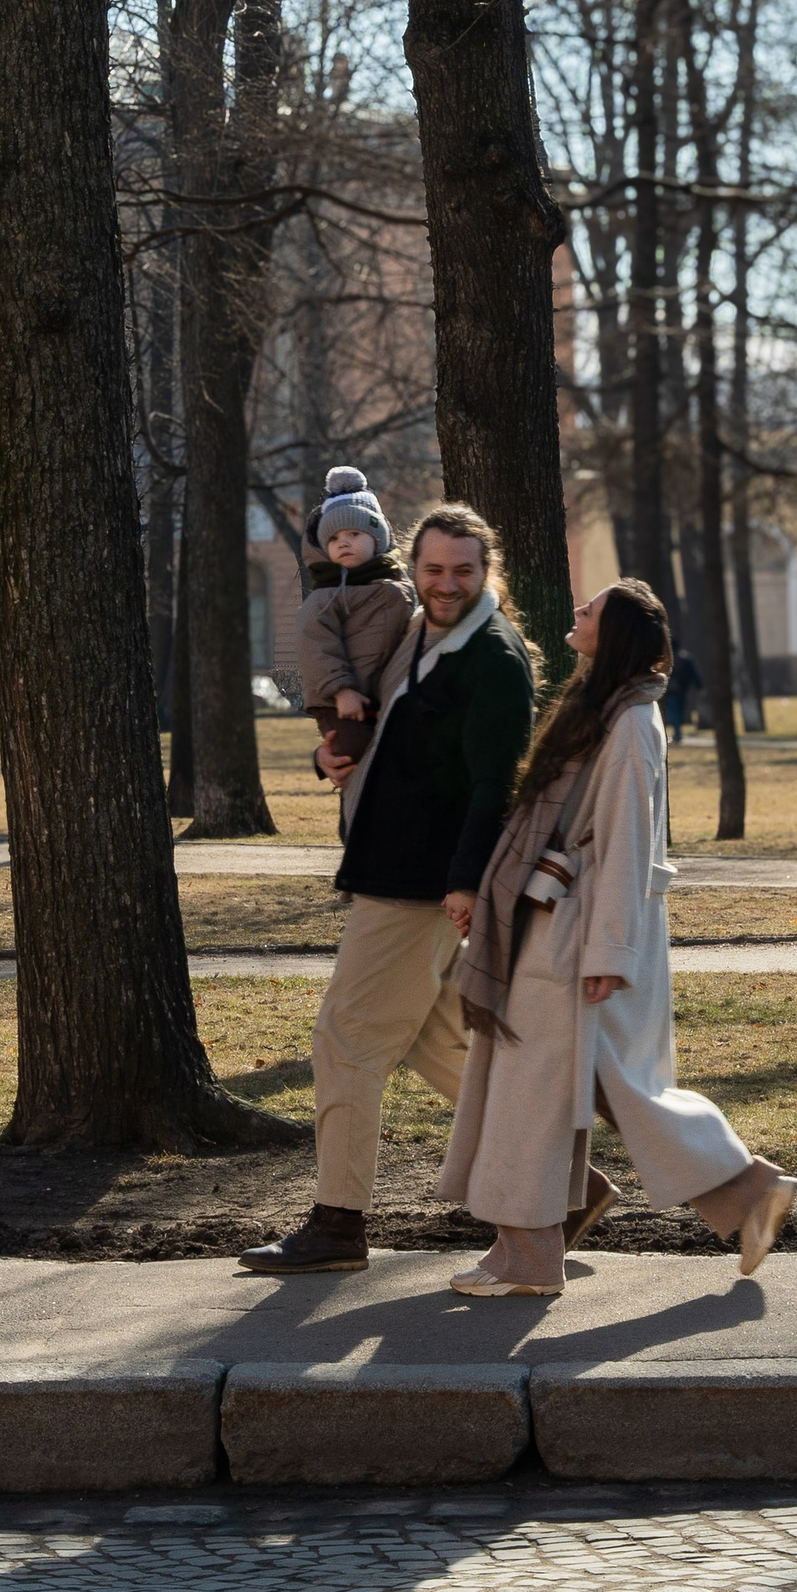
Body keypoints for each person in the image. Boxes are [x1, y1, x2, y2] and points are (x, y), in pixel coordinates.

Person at [435, 577, 797, 1298]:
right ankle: (743, 1190)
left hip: (574, 931)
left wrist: (609, 953)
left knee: (537, 1088)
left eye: (590, 610)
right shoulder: (598, 707)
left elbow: (629, 843)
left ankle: (530, 1257)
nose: (577, 614)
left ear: (618, 632)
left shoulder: (631, 722)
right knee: (591, 1087)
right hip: (551, 919)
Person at [240, 503, 537, 1277]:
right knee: (440, 1045)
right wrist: (329, 756)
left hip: (421, 885)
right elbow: (384, 719)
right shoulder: (421, 630)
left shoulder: (494, 657)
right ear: (415, 564)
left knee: (345, 1042)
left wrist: (466, 881)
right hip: (388, 866)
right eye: (433, 569)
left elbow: (494, 787)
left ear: (486, 571)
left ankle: (339, 1224)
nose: (446, 583)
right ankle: (561, 1189)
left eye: (463, 571)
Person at [293, 465, 415, 771]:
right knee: (353, 753)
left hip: (384, 695)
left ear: (378, 537)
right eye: (333, 539)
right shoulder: (327, 596)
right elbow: (316, 645)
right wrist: (341, 690)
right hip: (340, 701)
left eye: (354, 533)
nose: (343, 542)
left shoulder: (398, 587)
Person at [661, 641, 702, 745]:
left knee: (674, 712)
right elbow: (694, 674)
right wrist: (699, 686)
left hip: (670, 691)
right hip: (683, 690)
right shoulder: (686, 659)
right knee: (679, 711)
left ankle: (677, 733)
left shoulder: (667, 660)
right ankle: (678, 732)